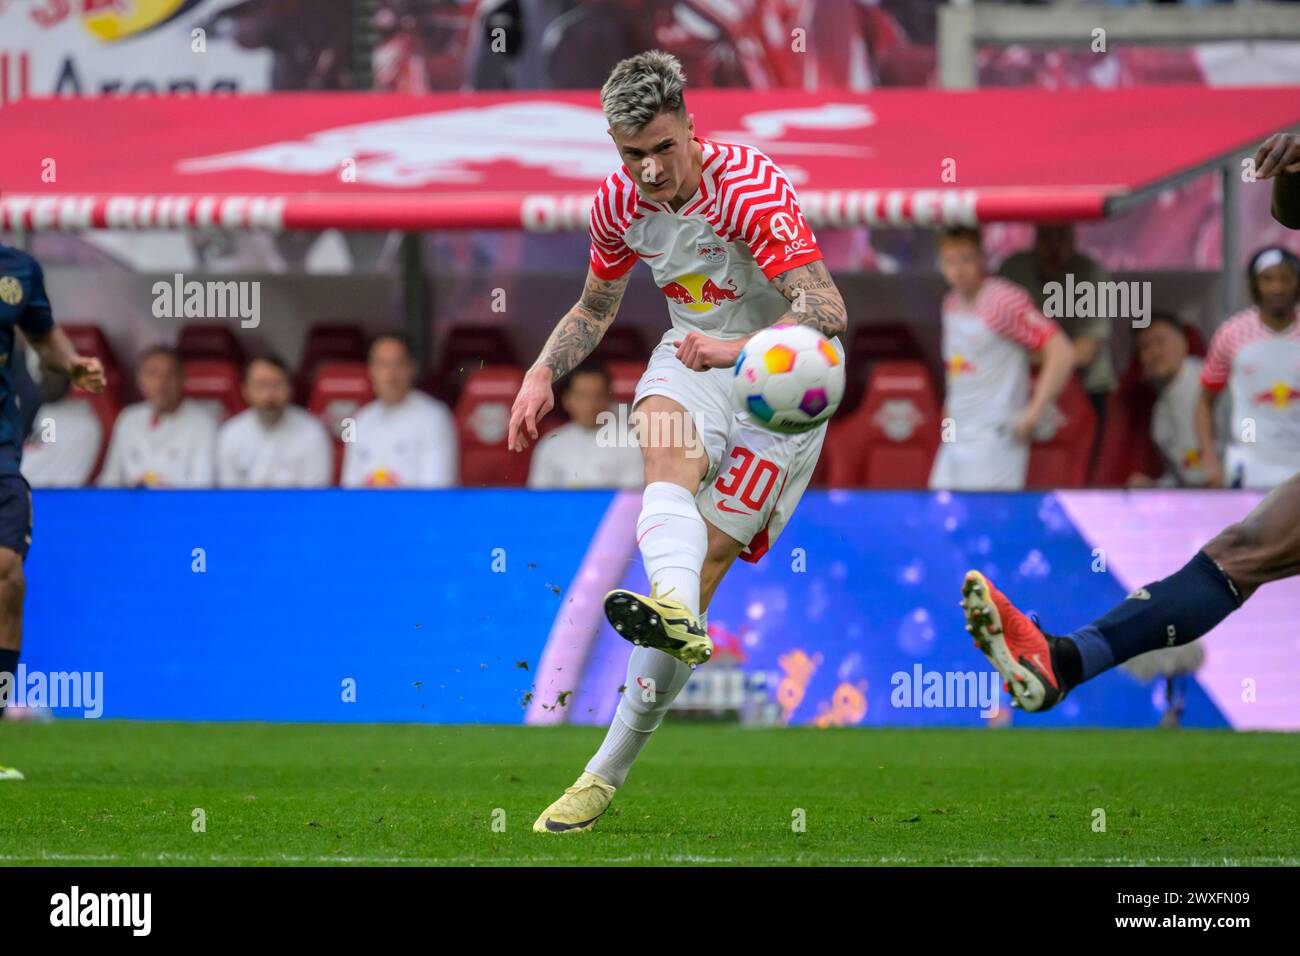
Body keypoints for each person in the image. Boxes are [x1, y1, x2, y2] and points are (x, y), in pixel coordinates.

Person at [507, 51, 846, 832]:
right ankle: (672, 606)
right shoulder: (618, 205)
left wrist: (739, 351)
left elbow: (827, 308)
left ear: (692, 128)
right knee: (663, 445)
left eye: (664, 147)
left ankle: (604, 771)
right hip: (690, 353)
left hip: (784, 379)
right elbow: (595, 306)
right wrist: (539, 371)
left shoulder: (749, 187)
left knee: (711, 560)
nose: (652, 170)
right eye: (634, 155)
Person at [958, 131, 1300, 716]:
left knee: (1242, 551)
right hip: (1258, 462)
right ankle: (1064, 659)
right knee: (1238, 552)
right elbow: (1289, 210)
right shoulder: (1236, 338)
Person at [0, 243, 107, 780]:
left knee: (8, 578)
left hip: (1, 449)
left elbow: (43, 337)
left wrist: (71, 362)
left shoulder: (17, 269)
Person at [929, 226, 1074, 491]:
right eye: (950, 261)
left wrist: (1034, 412)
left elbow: (1061, 351)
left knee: (985, 522)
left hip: (995, 435)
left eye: (966, 258)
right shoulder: (950, 303)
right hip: (955, 432)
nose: (958, 270)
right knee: (940, 514)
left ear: (983, 257)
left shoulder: (1004, 300)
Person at [1195, 245, 1300, 490]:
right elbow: (1204, 402)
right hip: (1251, 461)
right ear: (1254, 285)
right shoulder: (1232, 334)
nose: (1277, 288)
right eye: (1268, 279)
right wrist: (1210, 459)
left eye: (1286, 279)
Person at [998, 224, 1117, 428]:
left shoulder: (1092, 273)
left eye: (1061, 237)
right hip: (1022, 384)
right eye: (1046, 237)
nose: (1053, 246)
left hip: (1085, 386)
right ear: (1035, 239)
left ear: (1074, 240)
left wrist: (1032, 357)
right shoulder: (1013, 269)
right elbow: (995, 337)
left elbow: (1083, 352)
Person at [341, 334, 457, 488]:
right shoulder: (361, 419)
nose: (390, 375)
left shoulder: (434, 417)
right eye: (382, 365)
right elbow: (349, 488)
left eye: (398, 364)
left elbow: (435, 493)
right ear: (371, 370)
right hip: (367, 510)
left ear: (412, 368)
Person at [98, 347, 217, 489]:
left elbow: (202, 487)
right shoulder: (128, 418)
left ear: (182, 378)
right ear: (139, 379)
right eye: (152, 374)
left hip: (179, 509)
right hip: (131, 508)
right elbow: (110, 480)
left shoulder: (203, 423)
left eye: (169, 374)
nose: (161, 383)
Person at [217, 355, 333, 488]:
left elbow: (314, 497)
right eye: (261, 385)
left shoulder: (312, 432)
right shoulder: (230, 434)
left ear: (290, 388)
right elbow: (229, 497)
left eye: (277, 385)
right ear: (245, 390)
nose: (269, 395)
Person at [526, 361, 642, 489]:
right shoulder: (550, 443)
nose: (590, 405)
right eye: (582, 396)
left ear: (609, 398)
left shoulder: (629, 441)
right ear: (567, 400)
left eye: (597, 396)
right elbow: (538, 498)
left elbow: (630, 498)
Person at [1127, 315, 1207, 488]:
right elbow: (1182, 477)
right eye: (1145, 347)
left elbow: (1250, 420)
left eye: (1160, 342)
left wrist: (1245, 456)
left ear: (1183, 343)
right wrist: (1154, 485)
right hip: (1201, 502)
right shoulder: (1159, 417)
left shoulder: (1212, 382)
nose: (1154, 353)